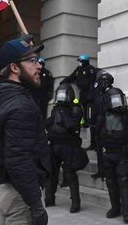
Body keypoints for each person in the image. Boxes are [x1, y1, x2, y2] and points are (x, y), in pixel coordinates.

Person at [0, 38, 50, 225]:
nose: (39, 65)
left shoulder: (1, 93)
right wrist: (36, 205)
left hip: (6, 187)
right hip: (19, 194)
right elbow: (19, 160)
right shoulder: (20, 105)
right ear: (14, 68)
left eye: (38, 59)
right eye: (32, 61)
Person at [96, 87, 128, 224]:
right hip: (108, 154)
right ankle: (115, 208)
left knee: (123, 182)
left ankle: (126, 213)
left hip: (122, 154)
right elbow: (98, 135)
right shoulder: (102, 116)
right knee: (111, 182)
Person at [44, 82, 85, 213]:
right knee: (51, 173)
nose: (61, 97)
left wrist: (63, 114)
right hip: (54, 144)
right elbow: (51, 122)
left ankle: (76, 202)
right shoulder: (56, 108)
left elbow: (72, 125)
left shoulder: (75, 108)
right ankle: (49, 198)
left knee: (70, 174)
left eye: (64, 94)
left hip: (68, 145)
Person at [61, 54, 98, 150]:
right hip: (83, 95)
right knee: (83, 116)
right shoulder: (78, 70)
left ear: (84, 61)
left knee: (91, 118)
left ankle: (94, 142)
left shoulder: (91, 69)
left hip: (90, 97)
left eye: (80, 61)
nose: (79, 63)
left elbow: (93, 82)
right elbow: (71, 77)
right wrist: (63, 82)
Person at [90, 70, 114, 179]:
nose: (103, 84)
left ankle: (109, 171)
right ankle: (101, 171)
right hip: (100, 125)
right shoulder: (99, 94)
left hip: (110, 125)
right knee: (99, 150)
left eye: (105, 82)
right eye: (101, 82)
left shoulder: (113, 94)